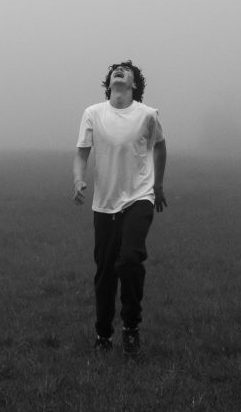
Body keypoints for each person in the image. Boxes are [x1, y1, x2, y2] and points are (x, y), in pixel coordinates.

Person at [73, 60, 167, 356]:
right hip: (105, 203)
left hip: (139, 197)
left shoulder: (147, 115)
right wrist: (78, 180)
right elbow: (81, 154)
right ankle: (103, 335)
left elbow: (160, 146)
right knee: (105, 272)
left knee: (128, 261)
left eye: (126, 70)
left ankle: (130, 328)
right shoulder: (93, 114)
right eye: (116, 69)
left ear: (134, 84)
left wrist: (158, 186)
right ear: (109, 83)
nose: (120, 71)